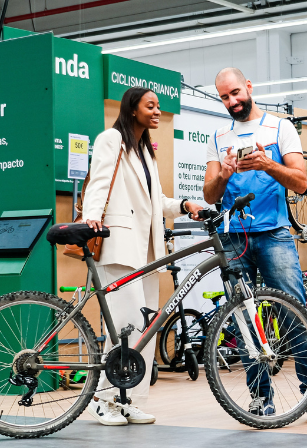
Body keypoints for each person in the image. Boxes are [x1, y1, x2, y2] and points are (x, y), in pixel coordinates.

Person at [203, 67, 307, 424]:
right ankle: (259, 398)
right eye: (224, 97)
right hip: (234, 237)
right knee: (245, 321)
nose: (232, 101)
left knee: (293, 312)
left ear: (249, 87)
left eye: (235, 92)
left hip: (275, 235)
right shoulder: (219, 135)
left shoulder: (281, 127)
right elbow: (209, 195)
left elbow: (301, 184)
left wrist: (267, 163)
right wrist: (224, 172)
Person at [82, 86, 203, 426]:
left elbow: (156, 202)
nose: (156, 111)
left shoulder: (146, 152)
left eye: (158, 106)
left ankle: (128, 398)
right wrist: (92, 216)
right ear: (132, 108)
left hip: (148, 253)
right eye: (150, 105)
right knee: (124, 327)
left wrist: (182, 205)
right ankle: (102, 399)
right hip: (119, 244)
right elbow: (99, 182)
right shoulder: (111, 140)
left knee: (144, 329)